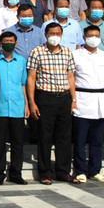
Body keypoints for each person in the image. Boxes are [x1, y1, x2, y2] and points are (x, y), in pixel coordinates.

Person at [27, 23, 79, 184]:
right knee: (45, 136)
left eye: (57, 33)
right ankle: (45, 172)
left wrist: (74, 100)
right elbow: (31, 78)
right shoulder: (37, 52)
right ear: (45, 34)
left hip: (64, 97)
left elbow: (70, 77)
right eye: (51, 33)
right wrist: (32, 102)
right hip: (45, 97)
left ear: (61, 35)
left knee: (64, 137)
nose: (54, 36)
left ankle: (63, 171)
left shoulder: (67, 52)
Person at [72, 25, 104, 183]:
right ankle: (80, 170)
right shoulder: (76, 55)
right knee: (80, 140)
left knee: (97, 140)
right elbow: (71, 77)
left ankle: (95, 170)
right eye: (90, 36)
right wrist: (73, 100)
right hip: (82, 98)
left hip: (100, 99)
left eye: (97, 36)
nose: (94, 39)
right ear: (84, 38)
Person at [0, 32, 29, 185]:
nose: (8, 43)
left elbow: (23, 84)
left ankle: (16, 173)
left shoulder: (21, 61)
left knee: (17, 143)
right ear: (0, 44)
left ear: (16, 44)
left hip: (17, 107)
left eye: (11, 41)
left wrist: (26, 104)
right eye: (6, 41)